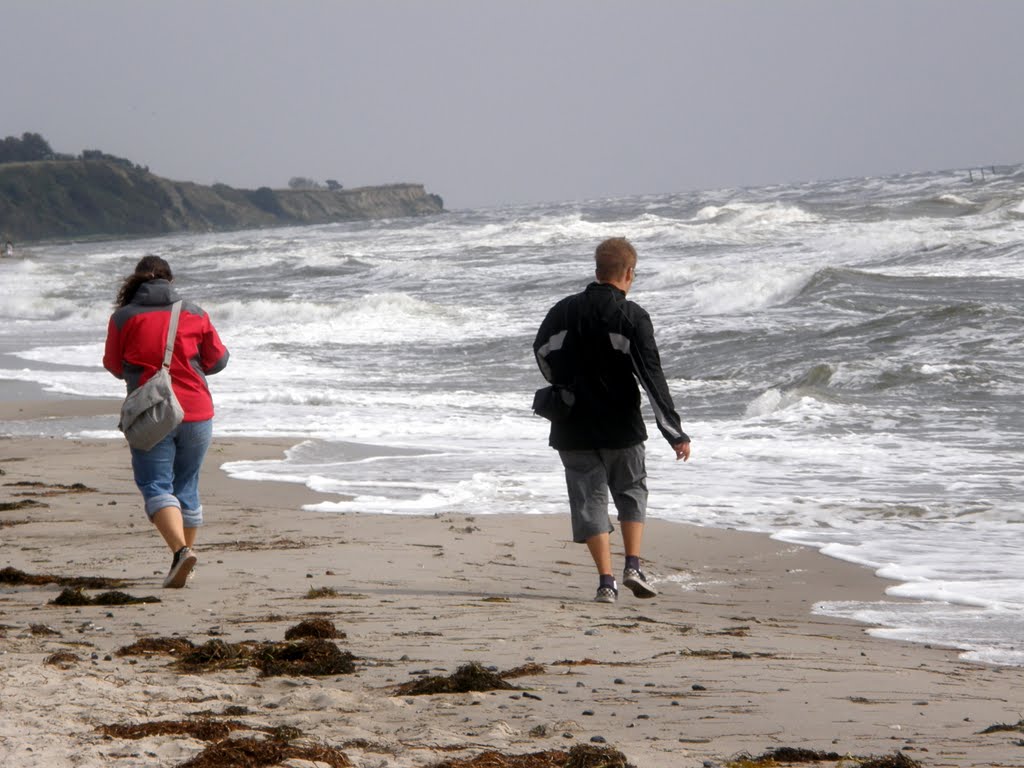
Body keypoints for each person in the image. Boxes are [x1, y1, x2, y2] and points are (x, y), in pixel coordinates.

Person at [533, 237, 690, 603]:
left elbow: (541, 352)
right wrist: (674, 431)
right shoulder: (631, 316)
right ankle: (632, 565)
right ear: (629, 273)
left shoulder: (563, 311)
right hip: (621, 424)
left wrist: (562, 382)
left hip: (572, 425)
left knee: (589, 501)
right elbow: (651, 377)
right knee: (631, 490)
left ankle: (606, 583)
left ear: (597, 271)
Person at [103, 256, 229, 588]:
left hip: (151, 412)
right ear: (170, 281)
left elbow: (114, 366)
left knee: (156, 486)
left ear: (137, 281)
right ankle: (184, 559)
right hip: (197, 410)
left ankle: (181, 552)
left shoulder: (122, 318)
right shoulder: (195, 312)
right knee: (186, 485)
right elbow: (218, 360)